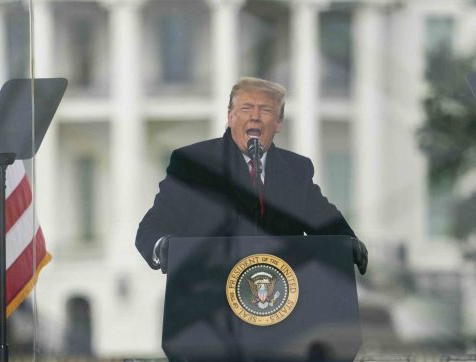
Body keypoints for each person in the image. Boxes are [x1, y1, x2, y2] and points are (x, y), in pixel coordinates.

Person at [135, 77, 368, 274]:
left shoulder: (296, 169)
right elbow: (152, 228)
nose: (255, 116)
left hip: (280, 303)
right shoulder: (192, 164)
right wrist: (163, 247)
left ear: (278, 123)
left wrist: (348, 244)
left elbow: (325, 221)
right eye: (246, 108)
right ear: (230, 117)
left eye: (265, 110)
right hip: (209, 300)